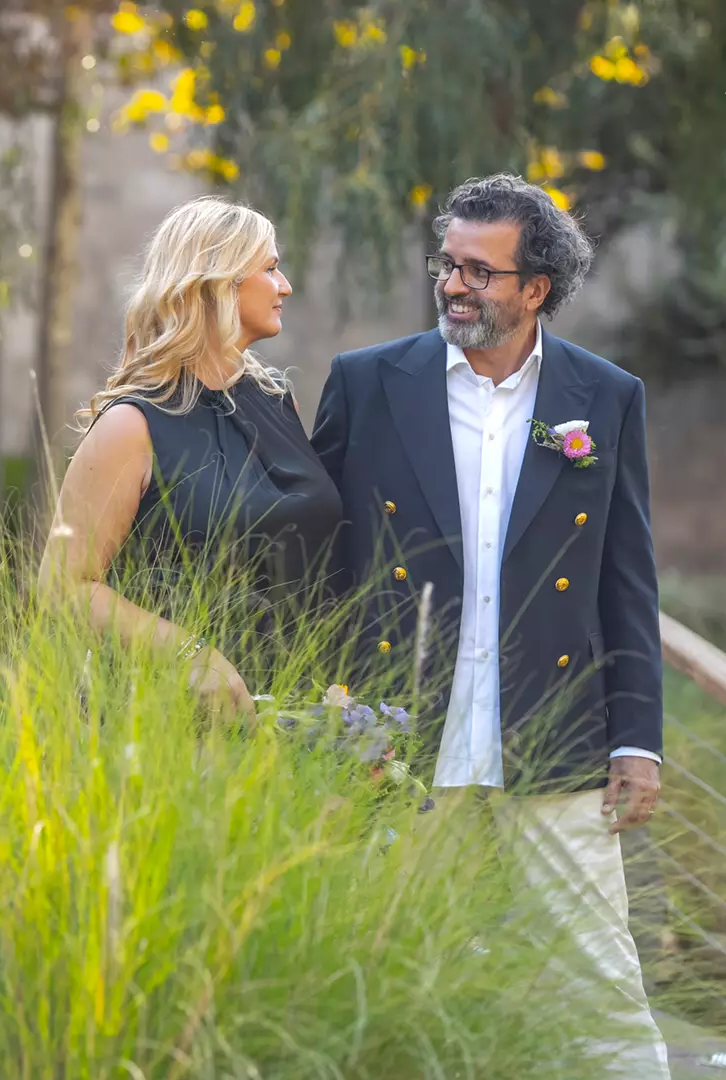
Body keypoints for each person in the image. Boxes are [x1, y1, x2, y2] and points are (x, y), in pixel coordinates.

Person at [311, 174, 670, 1076]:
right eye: (447, 263)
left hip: (553, 733)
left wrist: (638, 738)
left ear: (535, 289)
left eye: (480, 269)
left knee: (599, 985)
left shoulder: (606, 394)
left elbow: (627, 577)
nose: (454, 285)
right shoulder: (367, 383)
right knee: (374, 972)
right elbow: (317, 561)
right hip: (393, 731)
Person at [39, 196, 342, 720]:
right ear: (218, 283)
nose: (285, 286)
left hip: (297, 718)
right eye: (270, 269)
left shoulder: (280, 404)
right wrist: (188, 654)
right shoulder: (130, 426)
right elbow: (62, 587)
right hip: (169, 722)